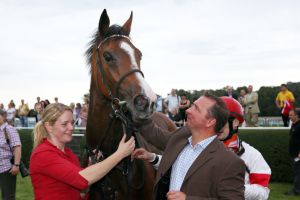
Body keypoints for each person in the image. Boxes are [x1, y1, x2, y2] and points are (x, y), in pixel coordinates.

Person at [134, 93, 245, 199]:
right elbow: (156, 136)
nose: (187, 110)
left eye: (196, 108)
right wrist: (139, 113)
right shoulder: (181, 136)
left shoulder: (229, 162)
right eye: (192, 106)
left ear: (210, 122)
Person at [29, 103, 135, 200]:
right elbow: (82, 179)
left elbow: (81, 191)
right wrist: (120, 154)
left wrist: (92, 166)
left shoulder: (68, 153)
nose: (71, 127)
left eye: (72, 122)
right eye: (64, 124)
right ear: (49, 126)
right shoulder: (42, 154)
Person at [218, 96, 271, 200]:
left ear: (235, 123)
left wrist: (236, 190)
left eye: (222, 120)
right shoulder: (199, 150)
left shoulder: (252, 154)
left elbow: (263, 192)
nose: (217, 126)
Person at [0, 109, 22, 200]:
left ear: (3, 117)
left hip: (7, 168)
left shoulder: (9, 129)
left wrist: (16, 165)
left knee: (8, 197)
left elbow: (17, 147)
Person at [285, 108, 300, 196]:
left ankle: (296, 191)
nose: (289, 116)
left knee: (298, 173)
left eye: (291, 115)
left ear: (297, 116)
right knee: (296, 172)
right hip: (294, 153)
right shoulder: (294, 124)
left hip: (298, 154)